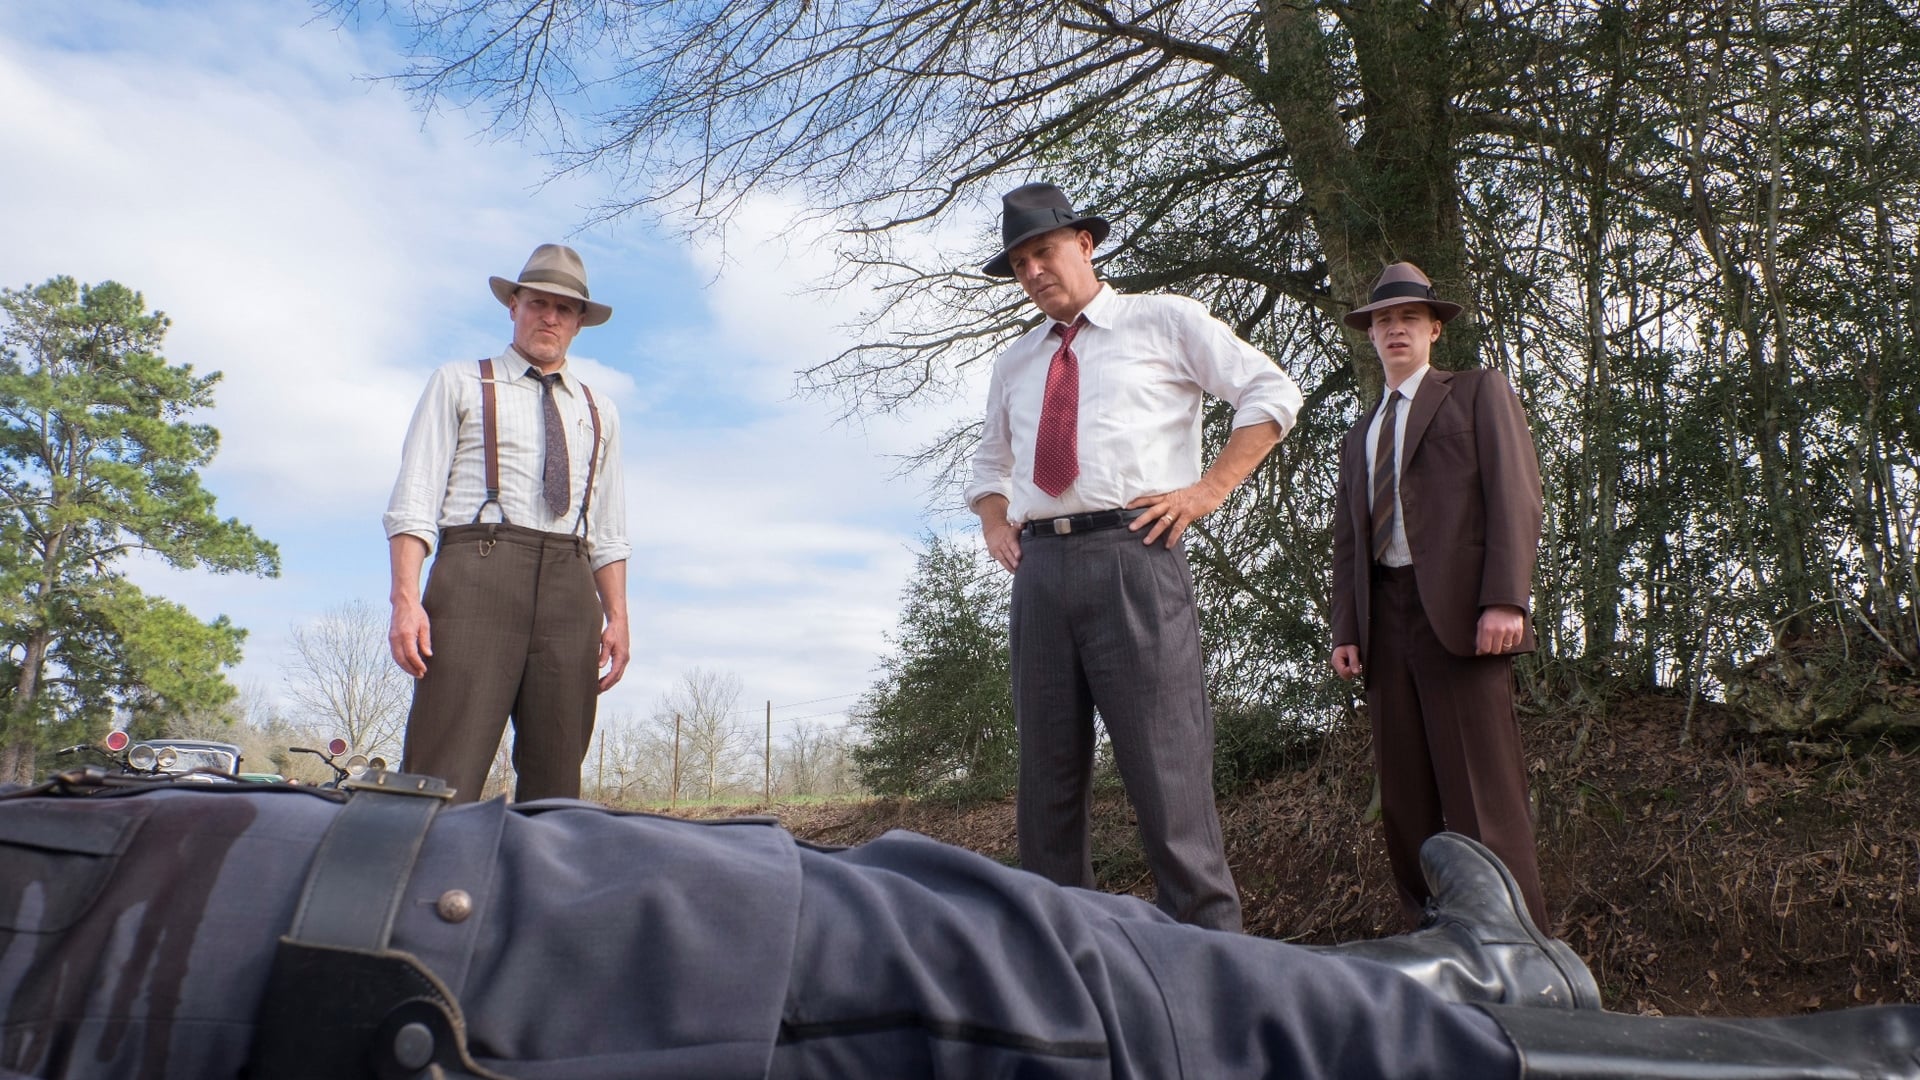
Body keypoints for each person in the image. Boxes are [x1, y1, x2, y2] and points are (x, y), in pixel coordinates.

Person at [6, 772, 1918, 1079]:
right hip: (245, 965)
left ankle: (1441, 982)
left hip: (208, 866)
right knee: (1014, 974)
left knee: (944, 890)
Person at [965, 183, 1305, 932]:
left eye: (1044, 252)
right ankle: (1063, 961)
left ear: (1085, 244)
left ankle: (1213, 963)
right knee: (1046, 783)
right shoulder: (1015, 362)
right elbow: (990, 464)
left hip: (1135, 555)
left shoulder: (1164, 320)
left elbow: (1272, 393)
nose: (1033, 272)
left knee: (1166, 771)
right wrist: (994, 521)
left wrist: (1209, 489)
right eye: (1019, 264)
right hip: (1039, 573)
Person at [1330, 262, 1548, 927]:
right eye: (1383, 321)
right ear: (1370, 335)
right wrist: (1346, 629)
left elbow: (1515, 493)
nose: (1395, 329)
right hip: (1383, 621)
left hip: (1461, 616)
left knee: (1482, 796)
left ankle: (1518, 948)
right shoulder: (1359, 434)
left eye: (1409, 318)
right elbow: (1348, 541)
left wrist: (1505, 598)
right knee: (1406, 801)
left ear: (1434, 331)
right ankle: (1428, 941)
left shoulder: (1477, 392)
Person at [383, 244, 630, 804]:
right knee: (441, 770)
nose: (550, 317)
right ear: (513, 306)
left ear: (579, 323)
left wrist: (617, 616)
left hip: (570, 587)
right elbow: (414, 498)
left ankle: (540, 864)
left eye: (564, 309)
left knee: (556, 782)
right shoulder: (460, 382)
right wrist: (405, 600)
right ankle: (424, 861)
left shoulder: (599, 410)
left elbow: (609, 529)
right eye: (538, 302)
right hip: (476, 575)